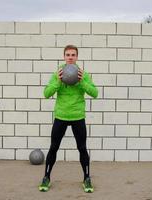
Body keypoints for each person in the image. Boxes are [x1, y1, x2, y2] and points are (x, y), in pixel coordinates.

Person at [38, 45, 98, 193]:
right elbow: (46, 93)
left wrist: (82, 81)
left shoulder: (83, 74)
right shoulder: (57, 73)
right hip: (61, 116)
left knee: (82, 148)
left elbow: (95, 93)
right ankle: (46, 177)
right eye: (67, 54)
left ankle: (87, 178)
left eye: (73, 54)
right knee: (54, 147)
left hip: (78, 116)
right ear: (64, 57)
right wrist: (58, 81)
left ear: (77, 57)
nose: (70, 57)